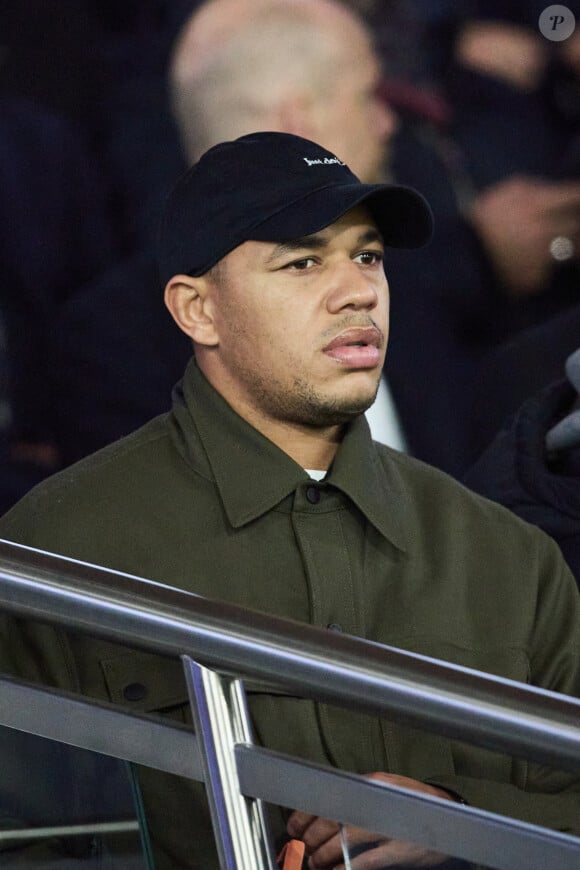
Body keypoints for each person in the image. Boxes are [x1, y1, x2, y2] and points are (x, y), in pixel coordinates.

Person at [0, 132, 579, 869]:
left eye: (367, 256)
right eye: (303, 262)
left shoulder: (508, 556)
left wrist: (458, 817)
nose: (359, 290)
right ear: (197, 311)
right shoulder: (54, 553)